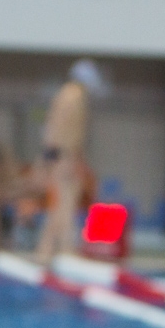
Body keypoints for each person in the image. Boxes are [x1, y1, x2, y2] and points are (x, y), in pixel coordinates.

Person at [33, 59, 105, 264]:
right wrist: (58, 157)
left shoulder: (69, 95)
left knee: (61, 204)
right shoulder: (73, 97)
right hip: (64, 156)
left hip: (65, 156)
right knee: (64, 204)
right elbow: (58, 129)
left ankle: (47, 249)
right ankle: (63, 249)